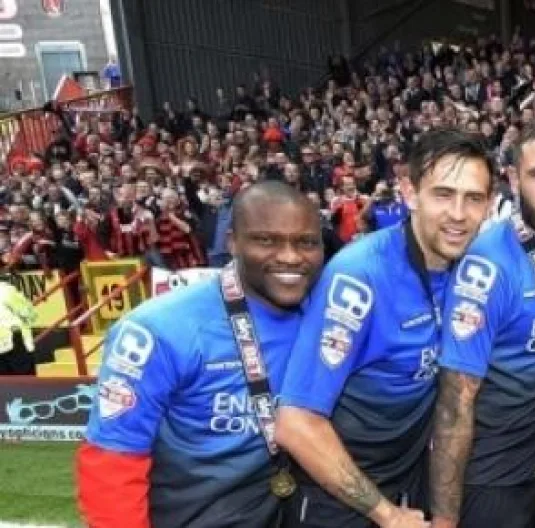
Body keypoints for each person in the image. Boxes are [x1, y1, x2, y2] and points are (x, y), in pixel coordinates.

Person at [275, 128, 494, 528]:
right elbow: (296, 423)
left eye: (473, 198)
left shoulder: (471, 271)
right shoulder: (360, 276)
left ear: (490, 205)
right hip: (338, 502)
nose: (459, 214)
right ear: (410, 193)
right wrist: (388, 516)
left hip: (408, 485)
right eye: (443, 194)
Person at [76, 180, 325, 527]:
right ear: (232, 242)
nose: (290, 256)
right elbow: (113, 461)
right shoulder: (157, 330)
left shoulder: (334, 316)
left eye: (307, 242)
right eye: (266, 240)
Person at [429, 118, 535, 528]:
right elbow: (455, 401)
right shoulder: (488, 264)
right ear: (514, 181)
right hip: (491, 484)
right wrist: (444, 518)